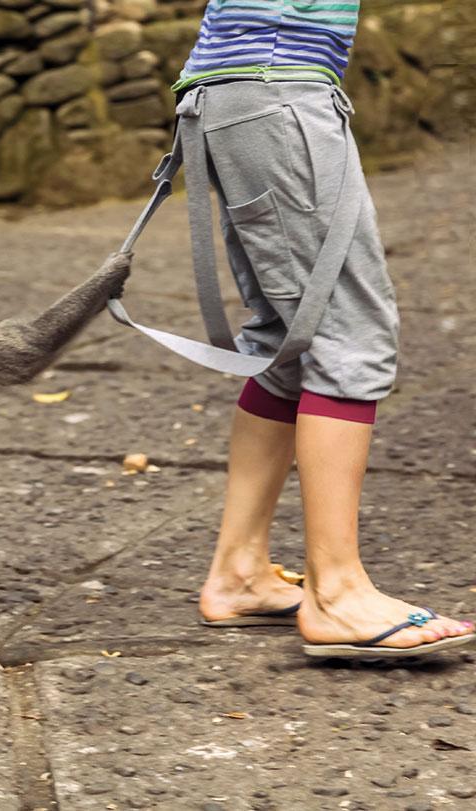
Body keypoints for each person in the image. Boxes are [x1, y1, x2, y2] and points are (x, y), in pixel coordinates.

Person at [172, 0, 474, 656]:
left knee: (292, 341)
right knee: (349, 332)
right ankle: (336, 592)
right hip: (277, 89)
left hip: (247, 86)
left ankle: (240, 571)